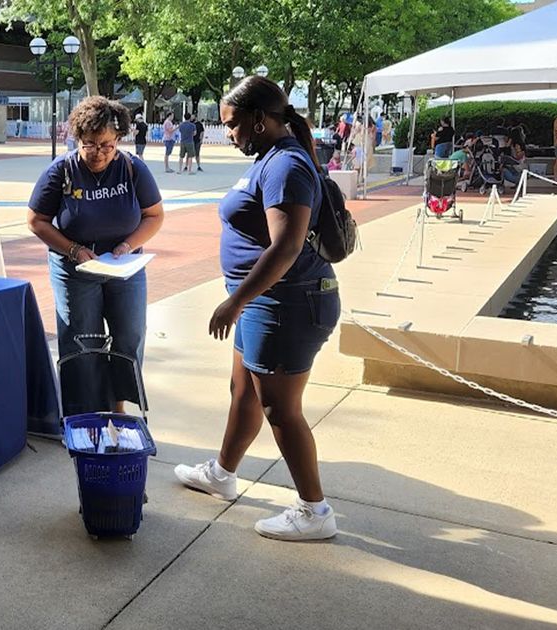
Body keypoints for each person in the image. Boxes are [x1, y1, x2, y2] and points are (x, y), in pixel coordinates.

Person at [173, 75, 340, 542]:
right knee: (243, 391)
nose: (228, 133)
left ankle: (315, 510)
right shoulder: (271, 158)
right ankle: (222, 473)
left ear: (260, 121)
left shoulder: (286, 165)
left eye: (232, 125)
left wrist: (235, 301)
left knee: (280, 409)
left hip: (287, 302)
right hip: (267, 302)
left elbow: (286, 247)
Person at [28, 96, 164, 417]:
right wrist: (73, 249)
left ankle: (118, 411)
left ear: (118, 139)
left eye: (107, 145)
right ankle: (82, 416)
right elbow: (36, 221)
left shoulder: (132, 168)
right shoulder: (61, 171)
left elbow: (154, 216)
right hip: (75, 270)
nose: (99, 153)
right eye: (90, 144)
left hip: (125, 268)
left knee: (128, 338)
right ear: (77, 139)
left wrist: (127, 245)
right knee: (82, 343)